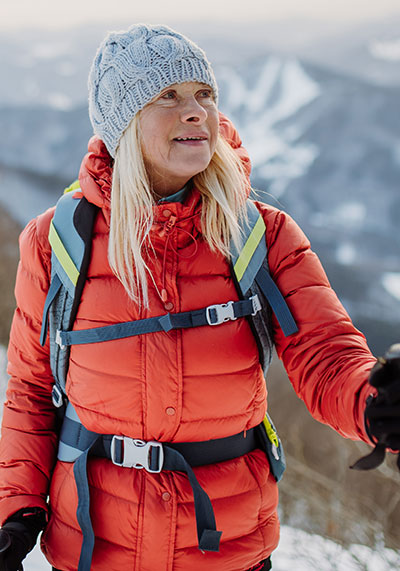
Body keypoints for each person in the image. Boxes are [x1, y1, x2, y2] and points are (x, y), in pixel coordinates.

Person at [0, 23, 398, 571]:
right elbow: (30, 392)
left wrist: (375, 403)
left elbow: (325, 355)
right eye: (168, 96)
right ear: (124, 123)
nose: (196, 112)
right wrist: (14, 513)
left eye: (204, 94)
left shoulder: (262, 234)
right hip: (94, 550)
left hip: (225, 550)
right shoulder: (55, 243)